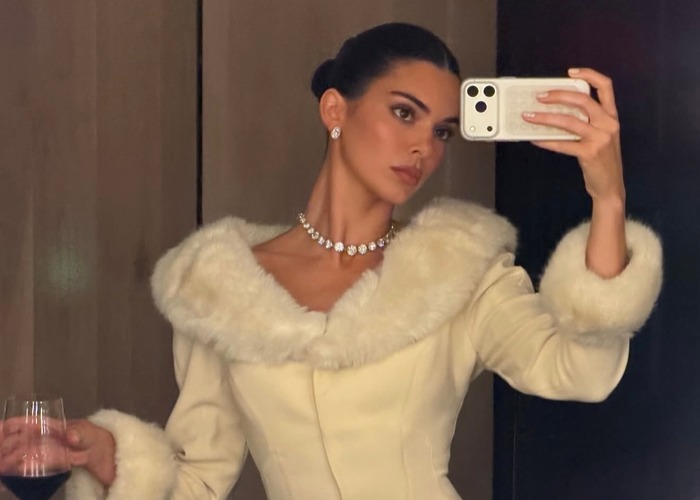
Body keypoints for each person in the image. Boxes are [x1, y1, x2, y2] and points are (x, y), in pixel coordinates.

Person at [3, 22, 662, 499]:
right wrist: (111, 454)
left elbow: (581, 370)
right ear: (334, 109)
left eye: (440, 131)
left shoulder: (460, 271)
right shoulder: (219, 288)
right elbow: (198, 477)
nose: (424, 149)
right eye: (403, 113)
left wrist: (608, 199)